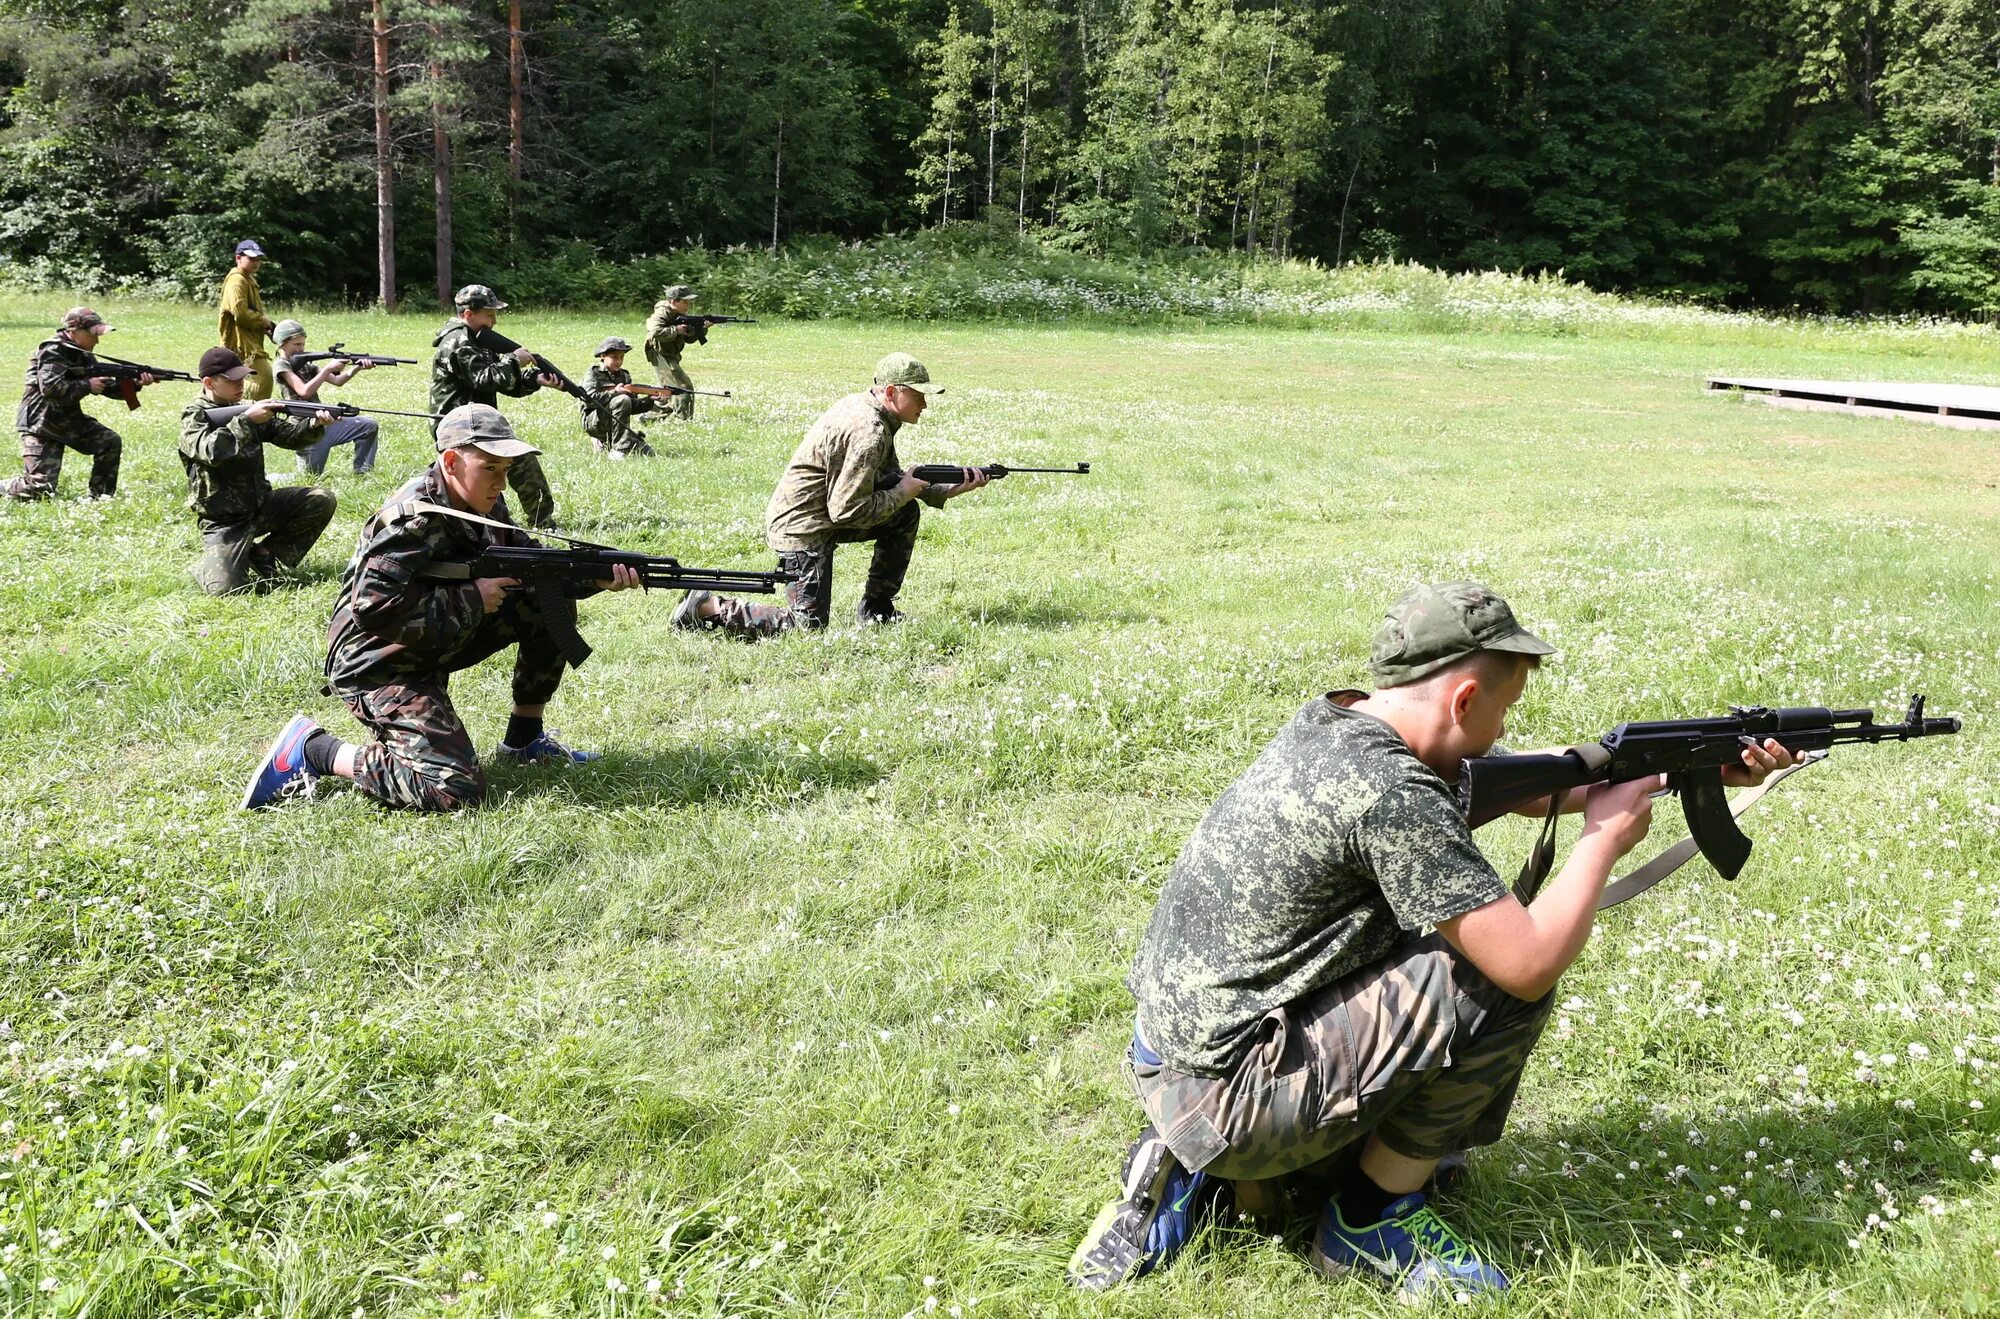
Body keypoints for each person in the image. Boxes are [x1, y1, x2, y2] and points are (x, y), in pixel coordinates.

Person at [1065, 581, 1801, 1299]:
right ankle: (1368, 1223)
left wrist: (1682, 768)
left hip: (1179, 1054)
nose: (1507, 732)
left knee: (1449, 935)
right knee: (1496, 975)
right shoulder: (1393, 795)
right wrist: (1602, 838)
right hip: (1229, 1095)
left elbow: (1515, 782)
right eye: (1505, 710)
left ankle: (1209, 1176)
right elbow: (1528, 957)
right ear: (1463, 700)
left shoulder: (1343, 726)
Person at [239, 404, 640, 813]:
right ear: (451, 461)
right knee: (455, 789)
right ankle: (314, 750)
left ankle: (524, 740)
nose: (501, 482)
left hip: (431, 640)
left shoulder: (483, 504)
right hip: (377, 662)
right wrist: (472, 598)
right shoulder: (413, 520)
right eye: (490, 467)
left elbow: (532, 562)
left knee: (547, 596)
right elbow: (373, 607)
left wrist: (594, 577)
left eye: (506, 468)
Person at [669, 352, 988, 636]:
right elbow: (847, 511)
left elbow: (885, 477)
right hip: (802, 529)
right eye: (918, 395)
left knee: (903, 514)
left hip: (821, 514)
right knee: (805, 628)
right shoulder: (868, 430)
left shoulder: (871, 409)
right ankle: (706, 606)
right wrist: (903, 492)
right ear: (891, 392)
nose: (925, 404)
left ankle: (877, 611)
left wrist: (940, 490)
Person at [179, 347, 338, 596]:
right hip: (224, 521)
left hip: (261, 506)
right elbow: (209, 451)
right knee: (224, 590)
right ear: (208, 382)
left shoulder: (247, 409)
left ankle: (264, 553)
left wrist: (313, 423)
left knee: (320, 499)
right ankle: (216, 563)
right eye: (232, 380)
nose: (241, 384)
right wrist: (246, 421)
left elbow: (289, 437)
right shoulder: (195, 416)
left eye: (243, 377)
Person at [431, 284, 561, 528]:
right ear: (468, 314)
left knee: (510, 465)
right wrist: (515, 361)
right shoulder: (458, 342)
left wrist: (533, 380)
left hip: (478, 424)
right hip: (458, 428)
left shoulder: (476, 340)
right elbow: (484, 379)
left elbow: (499, 381)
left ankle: (532, 518)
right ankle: (538, 520)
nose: (494, 321)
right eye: (489, 315)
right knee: (517, 463)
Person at [5, 306, 138, 501]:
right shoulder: (52, 350)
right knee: (39, 490)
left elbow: (106, 388)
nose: (97, 340)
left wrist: (134, 384)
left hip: (67, 419)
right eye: (93, 334)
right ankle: (4, 487)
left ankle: (101, 499)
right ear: (74, 331)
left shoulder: (82, 352)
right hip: (41, 423)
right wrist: (87, 385)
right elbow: (50, 389)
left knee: (109, 441)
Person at [272, 319, 380, 476]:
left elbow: (337, 381)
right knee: (309, 477)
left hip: (324, 422)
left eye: (303, 344)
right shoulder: (281, 365)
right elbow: (304, 392)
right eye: (297, 344)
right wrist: (328, 368)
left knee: (368, 426)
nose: (301, 348)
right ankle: (272, 478)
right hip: (305, 429)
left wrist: (357, 367)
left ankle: (363, 472)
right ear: (282, 343)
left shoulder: (305, 364)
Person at [579, 336, 660, 459]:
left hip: (617, 426)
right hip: (595, 422)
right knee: (623, 399)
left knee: (648, 452)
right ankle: (618, 450)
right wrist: (615, 392)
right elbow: (588, 400)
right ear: (603, 356)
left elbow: (631, 407)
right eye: (614, 357)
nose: (618, 361)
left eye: (621, 357)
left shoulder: (624, 376)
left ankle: (606, 441)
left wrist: (649, 400)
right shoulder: (593, 373)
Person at [216, 239, 276, 401]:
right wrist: (262, 321)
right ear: (238, 258)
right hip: (241, 344)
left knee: (240, 381)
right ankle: (249, 417)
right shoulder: (237, 280)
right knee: (262, 377)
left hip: (250, 340)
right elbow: (240, 313)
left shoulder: (248, 279)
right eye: (251, 259)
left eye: (258, 259)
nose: (256, 262)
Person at [642, 284, 700, 421]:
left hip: (670, 355)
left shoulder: (679, 314)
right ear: (674, 301)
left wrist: (700, 328)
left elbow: (689, 339)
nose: (688, 306)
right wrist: (677, 330)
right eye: (685, 302)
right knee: (683, 387)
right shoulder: (662, 313)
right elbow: (655, 332)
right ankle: (684, 420)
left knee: (669, 389)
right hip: (659, 354)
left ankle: (649, 417)